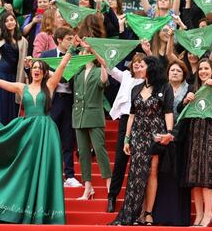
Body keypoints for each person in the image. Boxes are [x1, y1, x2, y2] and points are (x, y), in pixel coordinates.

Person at [0, 45, 74, 224]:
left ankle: (43, 213)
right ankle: (21, 209)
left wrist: (72, 48)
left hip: (46, 134)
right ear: (30, 70)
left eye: (40, 69)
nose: (36, 71)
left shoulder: (49, 86)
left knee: (43, 169)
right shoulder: (21, 87)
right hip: (27, 134)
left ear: (44, 73)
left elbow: (63, 65)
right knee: (26, 171)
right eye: (34, 68)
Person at [110, 56, 174, 226]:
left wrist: (169, 133)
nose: (138, 68)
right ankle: (135, 212)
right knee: (135, 174)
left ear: (151, 68)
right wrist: (127, 138)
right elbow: (132, 115)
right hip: (138, 135)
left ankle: (148, 213)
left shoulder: (165, 87)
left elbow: (168, 112)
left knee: (152, 172)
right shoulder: (136, 88)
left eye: (142, 66)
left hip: (155, 135)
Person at [179, 58, 212, 227]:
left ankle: (209, 213)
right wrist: (185, 101)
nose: (203, 71)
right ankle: (199, 214)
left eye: (206, 68)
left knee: (207, 175)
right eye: (201, 68)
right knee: (194, 176)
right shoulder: (192, 87)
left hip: (211, 133)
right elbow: (180, 111)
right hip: (194, 133)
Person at [39, 26, 82, 188]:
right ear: (59, 40)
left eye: (72, 39)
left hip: (70, 100)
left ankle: (69, 175)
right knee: (49, 138)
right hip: (52, 100)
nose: (71, 42)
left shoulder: (77, 56)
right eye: (68, 39)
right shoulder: (46, 56)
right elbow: (38, 74)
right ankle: (49, 174)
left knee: (68, 139)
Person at [152, 60, 190, 226]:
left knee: (178, 174)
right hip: (161, 135)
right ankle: (159, 215)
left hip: (181, 136)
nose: (175, 73)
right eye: (172, 70)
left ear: (184, 75)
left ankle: (178, 217)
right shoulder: (161, 89)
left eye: (179, 71)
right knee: (161, 174)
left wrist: (174, 134)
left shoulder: (189, 90)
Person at [72, 41, 112, 200]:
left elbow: (104, 77)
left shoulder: (97, 70)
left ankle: (109, 183)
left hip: (94, 116)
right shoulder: (78, 72)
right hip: (78, 116)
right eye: (82, 51)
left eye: (85, 52)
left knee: (99, 149)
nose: (83, 53)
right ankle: (88, 187)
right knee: (83, 153)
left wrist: (93, 49)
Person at [106, 52, 145, 212]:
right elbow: (109, 68)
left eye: (141, 62)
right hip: (125, 119)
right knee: (121, 160)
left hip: (142, 121)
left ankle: (134, 201)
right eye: (135, 61)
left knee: (138, 162)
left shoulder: (148, 81)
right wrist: (95, 50)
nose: (136, 64)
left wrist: (148, 52)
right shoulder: (126, 76)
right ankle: (112, 196)